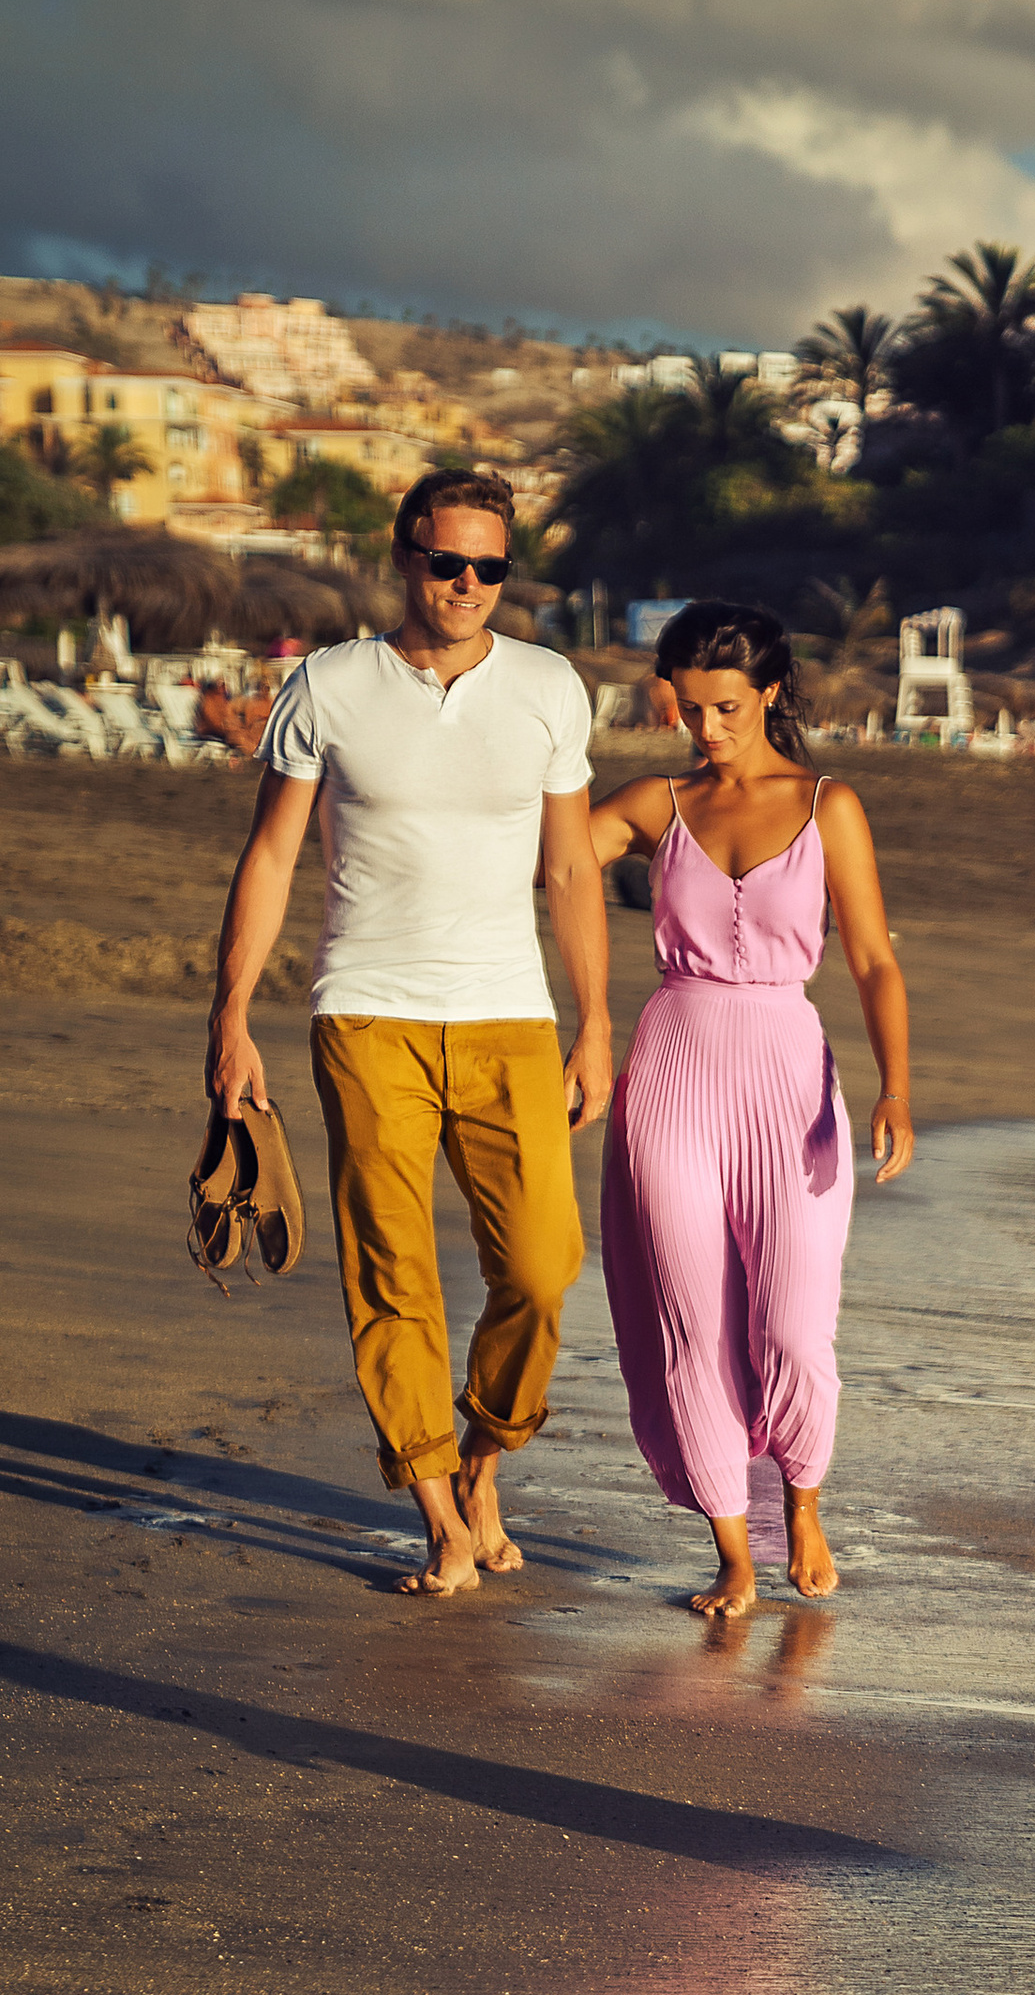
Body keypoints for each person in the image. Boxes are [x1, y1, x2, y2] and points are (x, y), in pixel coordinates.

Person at [205, 469, 611, 1598]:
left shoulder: (549, 686)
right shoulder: (329, 687)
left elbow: (572, 864)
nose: (469, 585)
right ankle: (438, 1512)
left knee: (542, 1265)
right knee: (394, 1274)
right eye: (448, 563)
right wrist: (231, 1018)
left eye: (490, 567)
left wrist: (594, 1026)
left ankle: (484, 1453)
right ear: (405, 560)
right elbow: (273, 855)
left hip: (511, 1017)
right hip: (367, 1010)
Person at [587, 604, 913, 1619]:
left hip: (785, 1071)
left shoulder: (829, 807)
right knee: (693, 1324)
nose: (706, 727)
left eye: (724, 706)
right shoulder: (656, 802)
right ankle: (733, 1549)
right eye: (687, 708)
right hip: (673, 1071)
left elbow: (870, 958)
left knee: (795, 1327)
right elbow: (548, 854)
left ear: (770, 692)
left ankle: (801, 1504)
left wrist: (897, 1085)